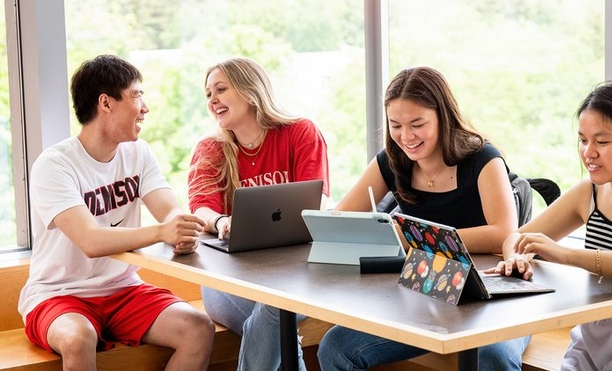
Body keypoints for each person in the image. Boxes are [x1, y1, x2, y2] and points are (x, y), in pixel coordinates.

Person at [316, 66, 527, 371]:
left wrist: (417, 238)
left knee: (493, 357)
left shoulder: (483, 158)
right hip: (429, 289)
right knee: (337, 348)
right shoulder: (392, 161)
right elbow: (341, 220)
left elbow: (504, 232)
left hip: (493, 292)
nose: (406, 136)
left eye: (417, 124)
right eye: (395, 125)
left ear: (443, 116)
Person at [17, 55, 215, 371]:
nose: (146, 108)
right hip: (58, 295)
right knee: (78, 338)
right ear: (106, 103)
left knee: (198, 328)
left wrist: (182, 231)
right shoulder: (54, 165)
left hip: (123, 290)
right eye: (138, 96)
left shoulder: (138, 152)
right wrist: (163, 232)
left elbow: (168, 210)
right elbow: (90, 241)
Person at [489, 80, 612, 370]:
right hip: (590, 337)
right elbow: (517, 236)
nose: (588, 152)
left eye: (602, 142)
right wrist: (516, 257)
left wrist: (566, 255)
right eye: (583, 140)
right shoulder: (588, 193)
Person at [188, 57, 330, 371]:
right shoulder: (210, 149)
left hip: (295, 272)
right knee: (278, 314)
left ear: (250, 91)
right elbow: (201, 208)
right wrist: (222, 221)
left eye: (221, 89)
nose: (212, 100)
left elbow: (315, 203)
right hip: (227, 278)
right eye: (208, 94)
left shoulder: (300, 133)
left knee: (276, 307)